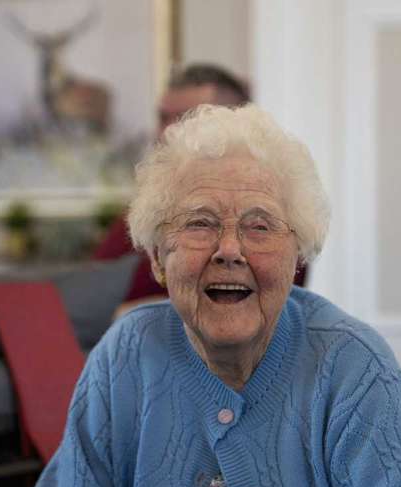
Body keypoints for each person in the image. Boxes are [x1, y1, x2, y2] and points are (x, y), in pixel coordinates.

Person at [0, 104, 401, 487]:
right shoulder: (125, 359)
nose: (229, 249)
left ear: (296, 259)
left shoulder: (354, 372)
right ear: (158, 257)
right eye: (199, 223)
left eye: (259, 226)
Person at [94, 64, 307, 311]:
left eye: (186, 118)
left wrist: (140, 315)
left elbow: (263, 304)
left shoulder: (278, 214)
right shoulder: (147, 206)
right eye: (163, 117)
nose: (167, 131)